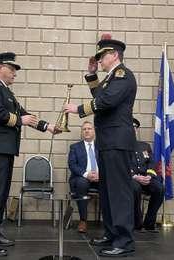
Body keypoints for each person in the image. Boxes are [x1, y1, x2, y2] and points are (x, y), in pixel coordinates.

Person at [0, 52, 60, 256]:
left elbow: (23, 114)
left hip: (4, 149)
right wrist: (21, 120)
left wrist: (47, 126)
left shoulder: (6, 92)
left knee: (1, 193)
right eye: (11, 69)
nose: (15, 73)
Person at [64, 34, 137, 257]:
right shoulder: (110, 78)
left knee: (119, 192)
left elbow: (107, 101)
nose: (100, 60)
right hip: (107, 141)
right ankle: (111, 233)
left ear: (114, 55)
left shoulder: (123, 76)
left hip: (117, 140)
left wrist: (79, 110)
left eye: (102, 56)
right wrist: (91, 75)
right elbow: (101, 95)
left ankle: (124, 240)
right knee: (107, 191)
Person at [130, 118, 164, 233]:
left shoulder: (145, 146)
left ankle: (149, 223)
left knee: (160, 188)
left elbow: (151, 162)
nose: (133, 130)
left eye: (135, 128)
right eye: (130, 128)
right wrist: (134, 176)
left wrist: (149, 175)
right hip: (131, 179)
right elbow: (120, 165)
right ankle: (136, 223)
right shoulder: (122, 147)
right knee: (135, 188)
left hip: (146, 178)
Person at [68, 121, 99, 233]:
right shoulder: (75, 147)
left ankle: (111, 221)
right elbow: (72, 165)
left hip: (99, 178)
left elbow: (107, 163)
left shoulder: (101, 147)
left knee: (111, 183)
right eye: (84, 129)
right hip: (81, 177)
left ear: (94, 131)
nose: (86, 131)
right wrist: (87, 174)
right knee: (82, 183)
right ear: (82, 132)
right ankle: (83, 220)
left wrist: (100, 175)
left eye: (89, 128)